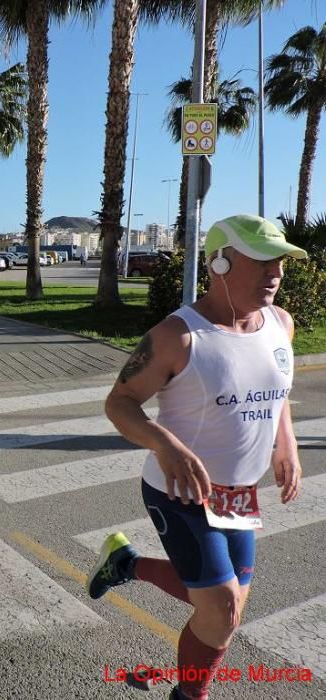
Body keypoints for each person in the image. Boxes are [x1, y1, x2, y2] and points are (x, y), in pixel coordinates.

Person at [86, 214, 306, 700]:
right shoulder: (177, 337)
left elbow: (277, 389)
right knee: (222, 609)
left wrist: (284, 442)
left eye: (281, 264)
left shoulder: (280, 324)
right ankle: (189, 696)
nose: (276, 274)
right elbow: (118, 403)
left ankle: (125, 564)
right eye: (263, 261)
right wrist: (165, 444)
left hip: (238, 495)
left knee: (217, 604)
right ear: (220, 262)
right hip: (178, 491)